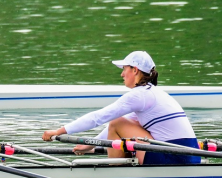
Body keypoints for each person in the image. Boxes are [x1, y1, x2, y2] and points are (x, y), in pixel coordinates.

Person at [41, 50, 200, 165]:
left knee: (117, 123)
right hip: (191, 156)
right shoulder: (155, 94)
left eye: (124, 69)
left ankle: (116, 174)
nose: (122, 74)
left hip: (175, 157)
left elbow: (99, 118)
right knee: (121, 123)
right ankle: (122, 167)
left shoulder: (139, 95)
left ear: (135, 70)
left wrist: (59, 131)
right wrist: (89, 145)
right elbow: (120, 124)